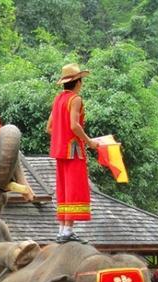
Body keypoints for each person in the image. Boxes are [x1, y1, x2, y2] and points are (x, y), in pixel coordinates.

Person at [47, 63, 99, 244]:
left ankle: (62, 229)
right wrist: (90, 141)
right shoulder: (75, 99)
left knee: (63, 188)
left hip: (60, 150)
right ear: (78, 82)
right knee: (75, 188)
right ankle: (68, 229)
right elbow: (74, 125)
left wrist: (62, 137)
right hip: (74, 150)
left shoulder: (58, 99)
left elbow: (49, 128)